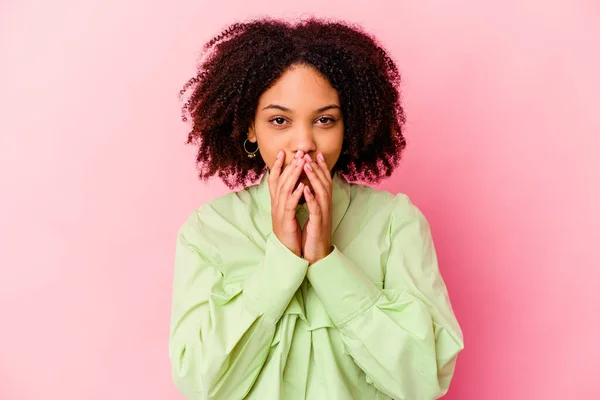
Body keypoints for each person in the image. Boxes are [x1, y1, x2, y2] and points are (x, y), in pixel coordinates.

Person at [169, 16, 464, 400]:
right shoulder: (209, 230)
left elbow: (425, 379)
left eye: (325, 120)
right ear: (249, 129)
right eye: (279, 120)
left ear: (349, 125)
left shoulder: (395, 222)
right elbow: (199, 383)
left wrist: (326, 260)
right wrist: (281, 259)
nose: (303, 143)